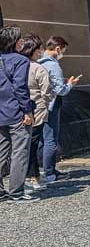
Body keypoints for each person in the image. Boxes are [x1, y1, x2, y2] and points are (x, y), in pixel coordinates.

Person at [38, 35, 80, 184]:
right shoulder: (53, 65)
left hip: (38, 105)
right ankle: (49, 173)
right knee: (51, 140)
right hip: (51, 105)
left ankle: (38, 172)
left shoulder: (38, 62)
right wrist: (70, 84)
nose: (62, 53)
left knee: (41, 139)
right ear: (57, 49)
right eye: (63, 50)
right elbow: (61, 91)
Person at [0, 25, 35, 202]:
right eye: (20, 38)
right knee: (20, 152)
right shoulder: (20, 60)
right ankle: (16, 191)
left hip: (1, 112)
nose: (22, 41)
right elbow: (20, 87)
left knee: (1, 151)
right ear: (15, 41)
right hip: (16, 112)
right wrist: (27, 111)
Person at [19, 35, 53, 193]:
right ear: (32, 50)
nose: (40, 52)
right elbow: (47, 91)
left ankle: (29, 177)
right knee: (33, 144)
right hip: (37, 109)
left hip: (19, 110)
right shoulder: (39, 68)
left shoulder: (18, 65)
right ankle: (33, 177)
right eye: (38, 49)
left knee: (22, 145)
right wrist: (45, 104)